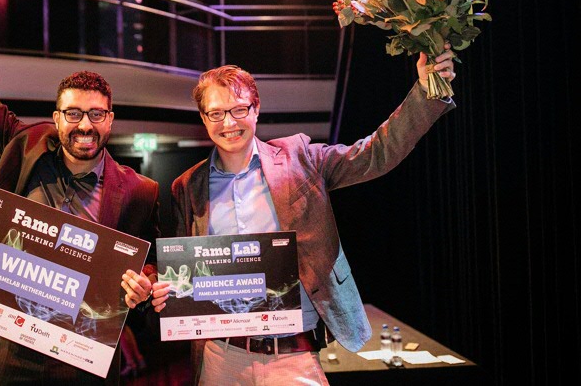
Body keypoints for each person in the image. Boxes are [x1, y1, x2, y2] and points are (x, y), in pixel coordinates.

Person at [151, 46, 457, 385]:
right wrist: (167, 288)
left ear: (256, 110)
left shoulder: (300, 158)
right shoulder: (187, 186)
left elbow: (377, 153)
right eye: (216, 113)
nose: (229, 123)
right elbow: (181, 270)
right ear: (203, 117)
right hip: (223, 356)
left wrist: (429, 90)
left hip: (293, 357)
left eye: (239, 109)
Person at [0, 5, 158, 385]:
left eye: (96, 115)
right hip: (12, 352)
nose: (84, 125)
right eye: (73, 114)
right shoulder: (27, 146)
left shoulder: (139, 190)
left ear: (110, 120)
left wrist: (145, 282)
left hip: (85, 359)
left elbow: (150, 261)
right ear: (56, 118)